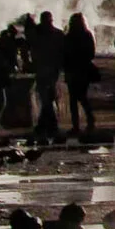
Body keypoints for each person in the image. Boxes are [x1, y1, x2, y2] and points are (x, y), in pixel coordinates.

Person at [29, 11, 65, 140]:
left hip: (46, 69)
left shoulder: (39, 34)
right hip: (50, 69)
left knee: (47, 98)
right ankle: (46, 125)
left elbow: (33, 49)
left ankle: (46, 126)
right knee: (48, 98)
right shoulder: (58, 34)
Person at [63, 10, 98, 137]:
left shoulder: (69, 37)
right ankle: (89, 121)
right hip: (83, 70)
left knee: (74, 99)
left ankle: (77, 125)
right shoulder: (87, 35)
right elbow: (92, 53)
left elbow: (64, 54)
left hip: (73, 70)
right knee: (82, 97)